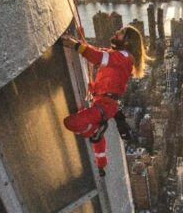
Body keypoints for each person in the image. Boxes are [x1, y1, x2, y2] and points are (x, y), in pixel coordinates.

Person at [60, 25, 148, 175]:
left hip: (105, 105)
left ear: (127, 41)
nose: (115, 32)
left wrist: (76, 46)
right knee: (96, 137)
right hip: (103, 102)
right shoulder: (118, 54)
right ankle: (102, 163)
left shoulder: (124, 57)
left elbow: (97, 57)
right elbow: (98, 52)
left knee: (71, 122)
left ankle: (95, 130)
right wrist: (78, 43)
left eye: (120, 33)